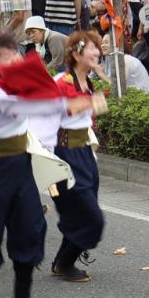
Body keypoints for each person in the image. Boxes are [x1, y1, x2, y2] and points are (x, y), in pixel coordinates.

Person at [0, 26, 91, 298]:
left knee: (30, 227)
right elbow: (26, 107)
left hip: (19, 163)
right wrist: (70, 104)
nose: (17, 64)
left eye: (18, 57)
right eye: (11, 59)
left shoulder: (13, 83)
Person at [47, 32, 107, 283]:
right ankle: (66, 260)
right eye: (92, 48)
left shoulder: (88, 83)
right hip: (65, 153)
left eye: (97, 48)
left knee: (82, 207)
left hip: (84, 152)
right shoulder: (63, 80)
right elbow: (63, 109)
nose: (97, 52)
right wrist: (92, 102)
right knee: (90, 215)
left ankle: (63, 261)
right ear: (76, 54)